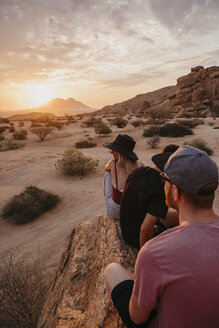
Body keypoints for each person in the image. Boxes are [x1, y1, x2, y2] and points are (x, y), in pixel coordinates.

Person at [104, 145, 219, 328]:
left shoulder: (154, 253)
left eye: (164, 179)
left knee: (112, 270)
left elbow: (138, 318)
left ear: (174, 191)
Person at [119, 144, 179, 249]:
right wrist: (144, 256)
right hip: (135, 238)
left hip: (126, 230)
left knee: (177, 217)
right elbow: (145, 228)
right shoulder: (161, 186)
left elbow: (160, 216)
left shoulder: (138, 171)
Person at [103, 134, 143, 220]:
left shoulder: (112, 164)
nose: (111, 152)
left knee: (107, 174)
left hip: (117, 211)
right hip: (134, 210)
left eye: (114, 150)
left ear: (120, 152)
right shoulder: (140, 165)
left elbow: (105, 168)